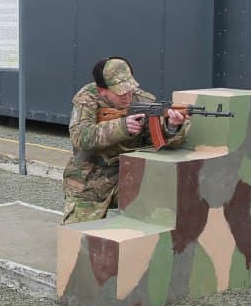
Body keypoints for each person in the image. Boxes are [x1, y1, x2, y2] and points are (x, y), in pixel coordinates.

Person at [62, 57, 190, 223]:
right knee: (77, 240)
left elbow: (156, 142)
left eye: (130, 89)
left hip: (129, 174)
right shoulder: (87, 99)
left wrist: (172, 127)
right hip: (89, 179)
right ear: (102, 90)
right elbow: (80, 137)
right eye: (120, 92)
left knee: (157, 216)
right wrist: (122, 127)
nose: (127, 96)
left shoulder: (144, 100)